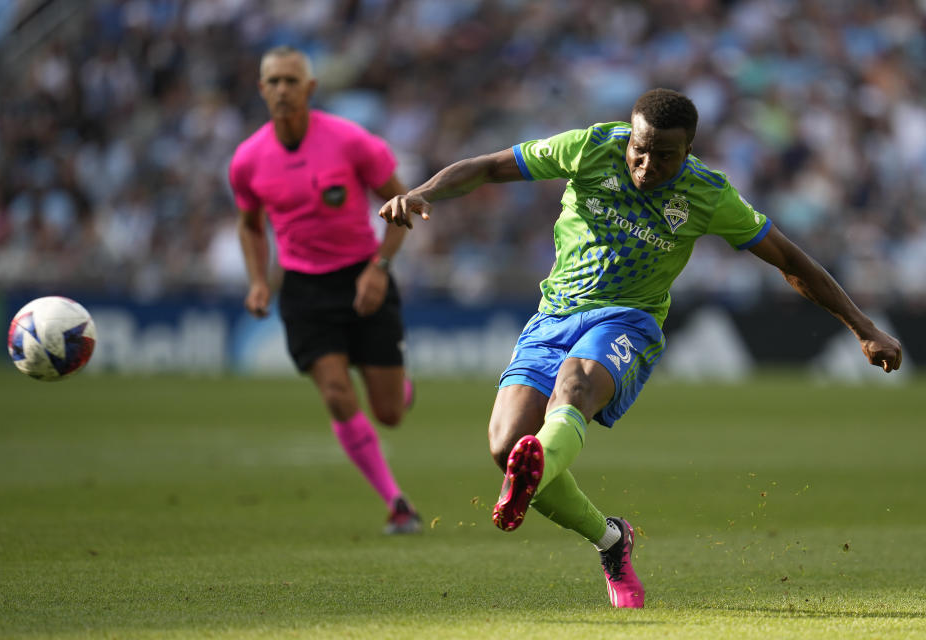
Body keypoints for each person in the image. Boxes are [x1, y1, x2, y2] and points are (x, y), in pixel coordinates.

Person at [379, 88, 902, 605]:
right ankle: (612, 539)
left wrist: (862, 326)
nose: (648, 164)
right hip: (554, 313)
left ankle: (541, 456)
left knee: (576, 386)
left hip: (628, 320)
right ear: (630, 135)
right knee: (504, 446)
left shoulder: (708, 194)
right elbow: (491, 166)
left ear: (689, 150)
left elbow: (790, 259)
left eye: (666, 155)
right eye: (640, 149)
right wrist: (424, 190)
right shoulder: (589, 146)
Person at [228, 46, 421, 535]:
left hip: (362, 276)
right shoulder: (248, 160)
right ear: (261, 89)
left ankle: (400, 389)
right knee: (336, 393)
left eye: (291, 80)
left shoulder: (352, 142)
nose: (282, 89)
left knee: (390, 413)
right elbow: (250, 226)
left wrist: (379, 267)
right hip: (304, 290)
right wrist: (256, 280)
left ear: (310, 88)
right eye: (273, 81)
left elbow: (402, 206)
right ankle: (397, 502)